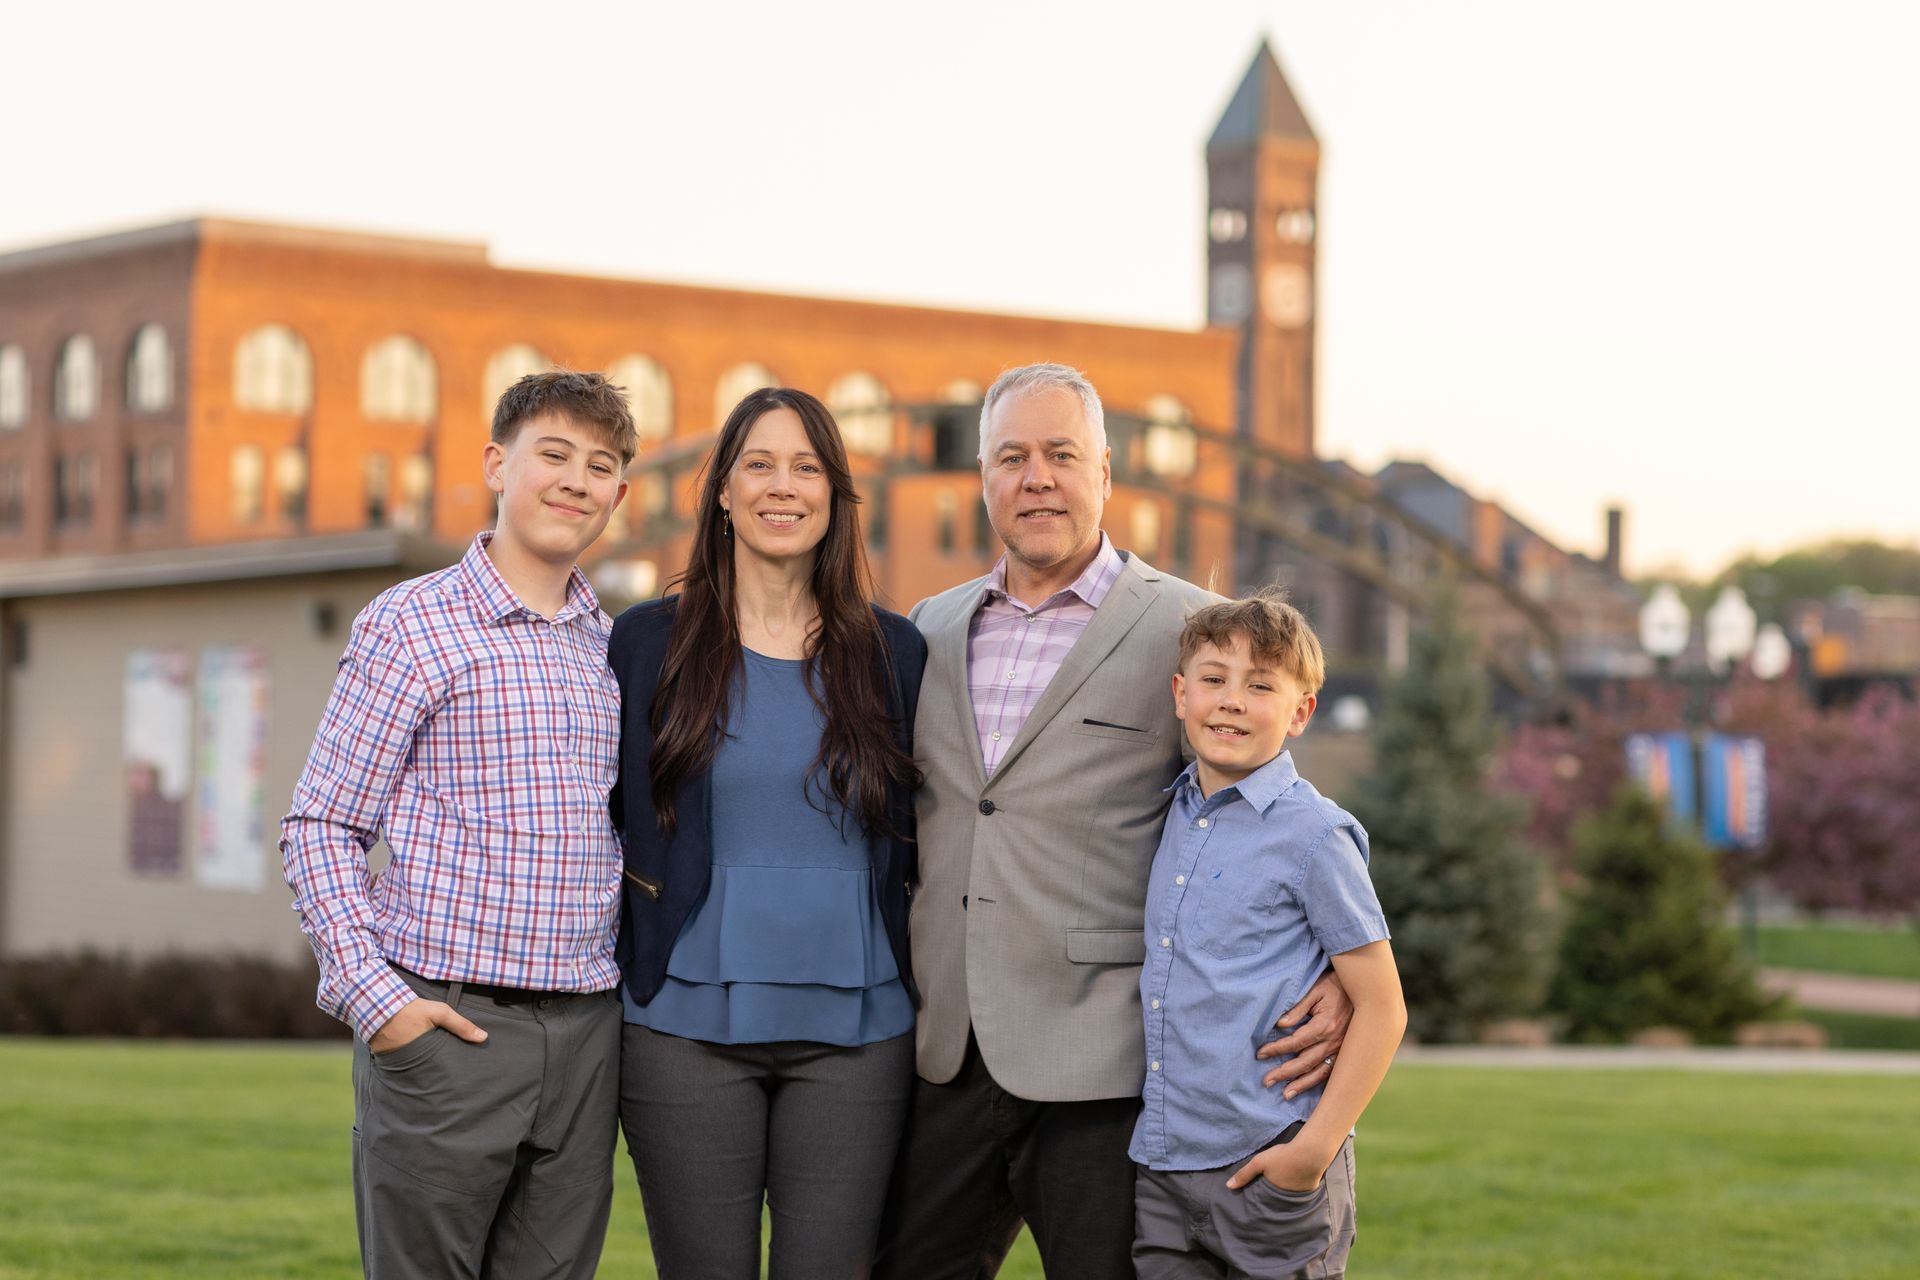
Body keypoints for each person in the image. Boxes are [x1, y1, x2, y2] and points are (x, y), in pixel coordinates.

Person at [874, 363, 1354, 1279]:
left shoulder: (1188, 628)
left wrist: (1336, 964)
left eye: (1061, 453)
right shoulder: (926, 629)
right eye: (1011, 457)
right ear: (983, 478)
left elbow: (1269, 810)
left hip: (1104, 1060)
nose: (1037, 477)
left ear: (1106, 471)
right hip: (948, 1048)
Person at [280, 369, 636, 1279]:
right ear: (496, 464)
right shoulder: (413, 623)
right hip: (447, 1026)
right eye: (552, 455)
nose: (575, 481)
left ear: (620, 496)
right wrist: (375, 998)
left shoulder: (614, 646)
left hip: (588, 1036)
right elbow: (320, 823)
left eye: (600, 466)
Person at [608, 386, 926, 1279]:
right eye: (759, 463)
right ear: (720, 490)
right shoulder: (644, 644)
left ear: (834, 493)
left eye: (807, 466)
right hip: (681, 1026)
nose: (782, 487)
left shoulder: (895, 653)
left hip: (861, 1033)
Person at [1132, 591, 1405, 1279]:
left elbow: (1382, 1006)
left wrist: (1310, 1154)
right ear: (1180, 693)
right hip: (1164, 1166)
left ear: (1301, 711)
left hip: (1273, 1162)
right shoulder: (1170, 812)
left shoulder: (1314, 835)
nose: (1230, 701)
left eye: (1260, 686)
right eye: (1214, 679)